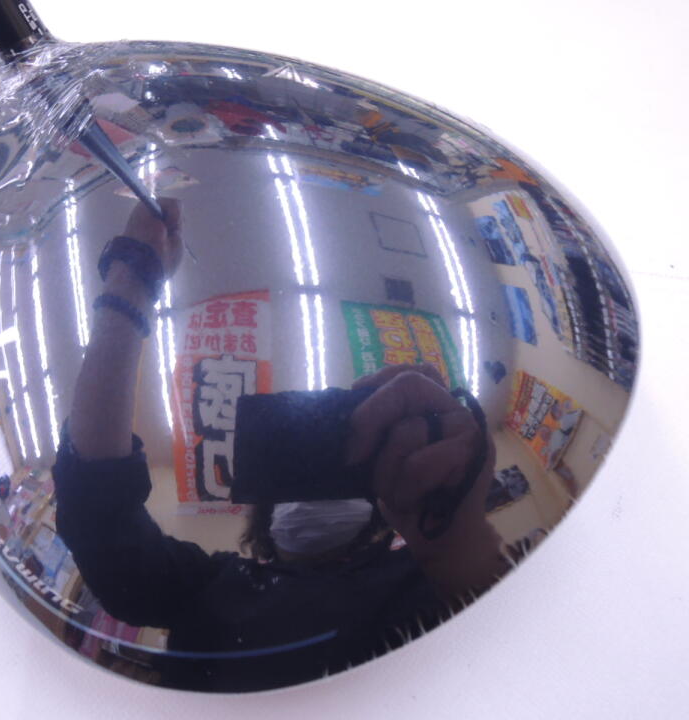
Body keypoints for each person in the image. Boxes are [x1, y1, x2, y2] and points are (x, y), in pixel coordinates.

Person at [52, 198, 510, 691]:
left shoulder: (430, 571)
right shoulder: (206, 584)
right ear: (265, 505)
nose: (313, 493)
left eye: (334, 461)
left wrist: (460, 540)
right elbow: (102, 522)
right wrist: (132, 281)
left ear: (371, 484)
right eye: (298, 470)